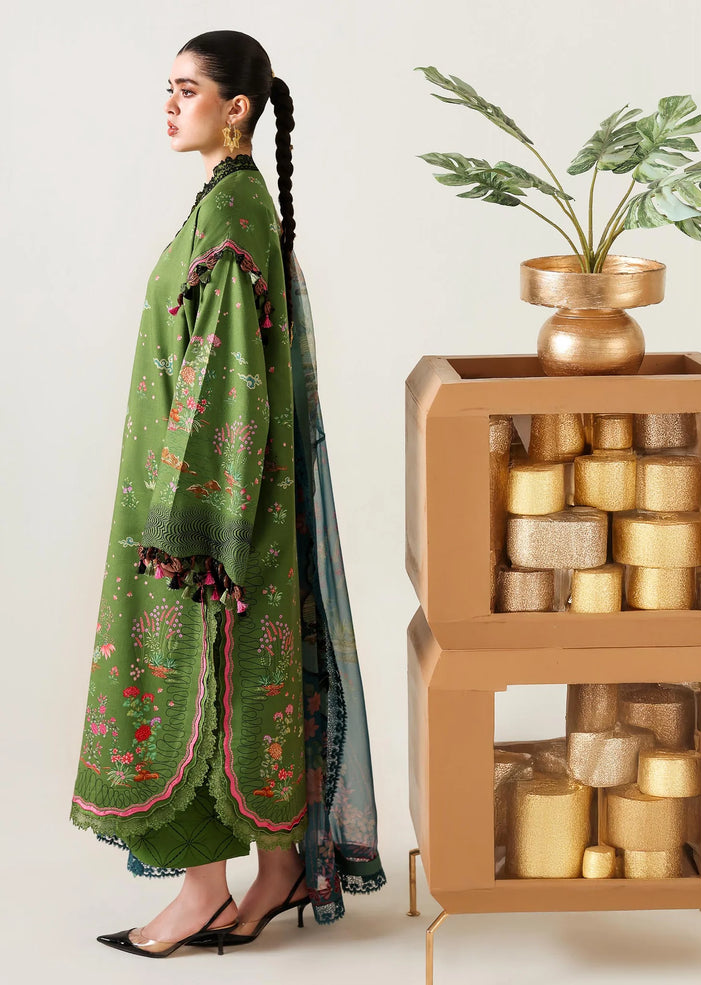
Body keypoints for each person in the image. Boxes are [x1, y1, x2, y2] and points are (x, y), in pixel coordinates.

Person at [69, 30, 385, 958]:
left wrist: (188, 526)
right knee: (236, 675)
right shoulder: (228, 203)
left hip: (200, 513)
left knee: (191, 676)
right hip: (208, 495)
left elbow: (226, 375)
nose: (170, 106)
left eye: (187, 90)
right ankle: (276, 869)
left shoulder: (232, 213)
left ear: (235, 108)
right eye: (167, 89)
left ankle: (203, 893)